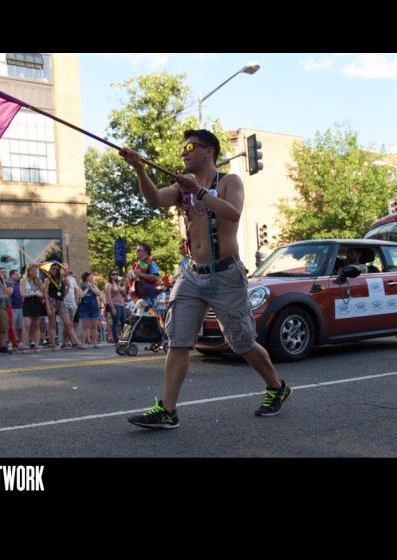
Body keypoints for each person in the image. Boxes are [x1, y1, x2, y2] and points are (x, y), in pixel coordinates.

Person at [119, 128, 291, 429]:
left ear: (209, 151)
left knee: (242, 342)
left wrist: (198, 192)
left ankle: (276, 387)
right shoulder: (181, 186)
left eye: (190, 147)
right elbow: (155, 199)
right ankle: (168, 410)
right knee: (178, 340)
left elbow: (232, 214)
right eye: (183, 148)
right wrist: (140, 170)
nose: (183, 152)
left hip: (226, 274)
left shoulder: (229, 182)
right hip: (191, 274)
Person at [43, 261, 84, 351]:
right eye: (52, 269)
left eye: (56, 269)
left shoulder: (62, 279)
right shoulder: (47, 280)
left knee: (68, 323)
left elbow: (66, 290)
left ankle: (77, 342)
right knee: (52, 324)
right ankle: (53, 344)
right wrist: (48, 306)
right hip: (51, 301)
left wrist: (66, 288)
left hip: (60, 302)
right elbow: (45, 294)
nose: (54, 271)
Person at [20, 264, 43, 353]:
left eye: (36, 271)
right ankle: (25, 346)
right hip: (28, 302)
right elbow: (22, 293)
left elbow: (42, 293)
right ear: (28, 271)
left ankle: (36, 345)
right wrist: (33, 293)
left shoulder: (39, 281)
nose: (35, 272)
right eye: (33, 271)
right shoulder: (23, 280)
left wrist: (39, 294)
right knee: (27, 324)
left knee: (36, 325)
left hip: (37, 302)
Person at [79, 272, 102, 347]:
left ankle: (95, 343)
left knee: (94, 326)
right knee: (85, 327)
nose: (92, 277)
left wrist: (91, 287)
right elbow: (81, 295)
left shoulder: (94, 285)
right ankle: (83, 343)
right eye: (90, 276)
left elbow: (98, 293)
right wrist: (87, 288)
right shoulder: (81, 285)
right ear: (86, 277)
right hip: (85, 308)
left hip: (94, 308)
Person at [105, 269, 127, 345]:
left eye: (116, 274)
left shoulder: (118, 284)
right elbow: (108, 298)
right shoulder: (108, 285)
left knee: (125, 322)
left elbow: (124, 294)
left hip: (122, 305)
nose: (115, 275)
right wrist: (112, 308)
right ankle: (116, 340)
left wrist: (123, 289)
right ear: (110, 276)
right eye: (113, 274)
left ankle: (124, 339)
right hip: (115, 305)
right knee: (116, 323)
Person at [9, 270, 24, 349]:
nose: (18, 275)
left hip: (20, 307)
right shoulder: (9, 284)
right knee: (12, 326)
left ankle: (21, 342)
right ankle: (14, 342)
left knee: (20, 326)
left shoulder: (20, 284)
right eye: (16, 274)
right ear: (12, 275)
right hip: (12, 308)